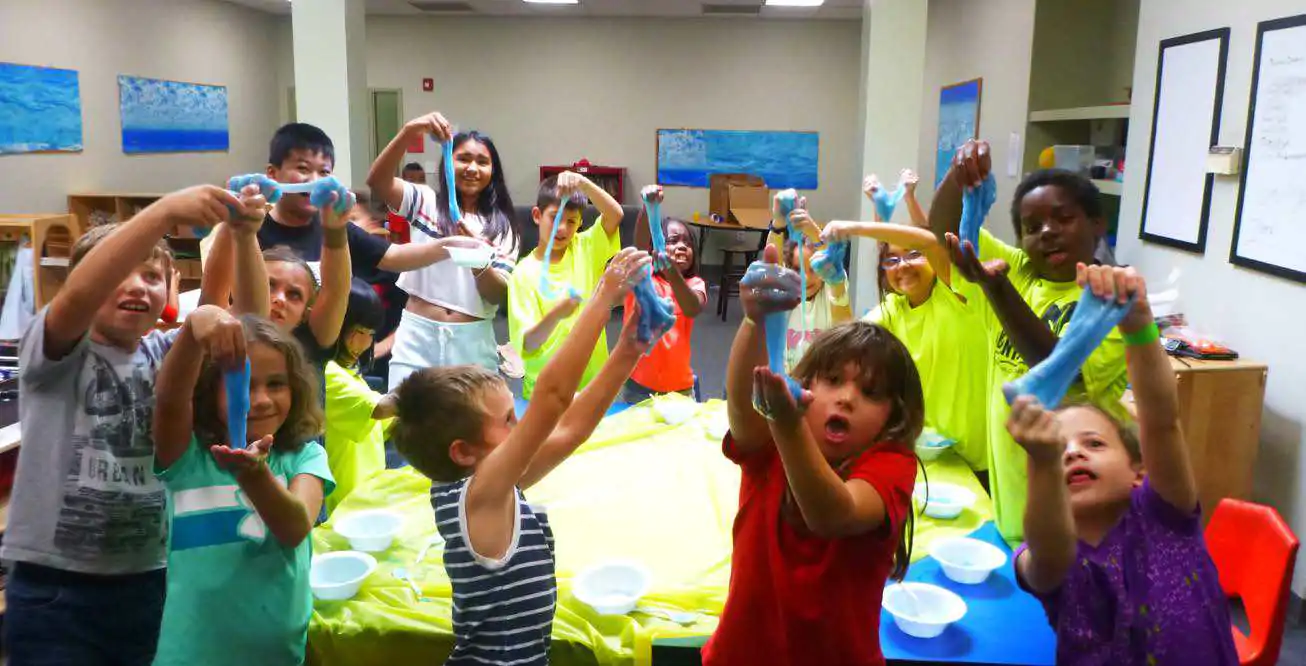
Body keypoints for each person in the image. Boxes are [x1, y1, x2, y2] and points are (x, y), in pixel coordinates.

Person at [1, 185, 262, 665]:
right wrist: (163, 213)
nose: (138, 285)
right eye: (120, 272)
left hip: (150, 579)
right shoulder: (53, 352)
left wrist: (240, 235)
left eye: (151, 276)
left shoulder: (163, 353)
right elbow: (80, 293)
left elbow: (243, 327)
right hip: (57, 589)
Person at [391, 250, 658, 665]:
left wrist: (628, 350)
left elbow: (570, 430)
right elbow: (552, 399)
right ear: (462, 451)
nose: (520, 427)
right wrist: (603, 295)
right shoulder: (481, 495)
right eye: (508, 420)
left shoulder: (482, 482)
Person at [702, 245, 923, 666]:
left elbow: (833, 515)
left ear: (894, 414)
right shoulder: (773, 441)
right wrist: (754, 318)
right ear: (807, 385)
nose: (846, 398)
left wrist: (787, 426)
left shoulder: (891, 463)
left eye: (870, 392)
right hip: (742, 654)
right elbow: (742, 410)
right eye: (834, 381)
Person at [1008, 264, 1237, 666]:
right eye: (1058, 449)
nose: (1073, 452)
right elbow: (1046, 553)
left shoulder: (1164, 515)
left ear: (1138, 472)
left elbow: (1160, 421)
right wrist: (1042, 464)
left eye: (1093, 443)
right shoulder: (1053, 555)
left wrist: (1140, 328)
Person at [930, 139, 1128, 542]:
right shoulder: (1019, 271)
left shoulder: (1111, 301)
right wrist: (959, 174)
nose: (1048, 232)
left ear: (1097, 224)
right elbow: (943, 232)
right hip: (1011, 499)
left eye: (1063, 218)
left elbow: (1055, 370)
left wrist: (995, 287)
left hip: (1076, 514)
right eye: (1032, 227)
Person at [151, 311, 331, 665]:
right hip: (190, 655)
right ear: (207, 389)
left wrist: (254, 475)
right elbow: (171, 399)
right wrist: (192, 329)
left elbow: (294, 527)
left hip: (276, 656)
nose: (260, 400)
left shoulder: (305, 456)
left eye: (276, 383)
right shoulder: (188, 458)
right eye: (243, 384)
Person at [202, 123, 485, 297]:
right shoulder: (248, 231)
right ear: (272, 174)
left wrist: (448, 245)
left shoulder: (335, 229)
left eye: (324, 172)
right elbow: (218, 297)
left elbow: (395, 256)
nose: (314, 181)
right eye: (302, 169)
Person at [823, 185, 990, 479]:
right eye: (892, 259)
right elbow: (846, 341)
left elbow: (931, 240)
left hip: (975, 459)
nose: (903, 266)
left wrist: (855, 228)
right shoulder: (893, 309)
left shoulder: (959, 294)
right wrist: (835, 283)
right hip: (923, 453)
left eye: (914, 255)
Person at [367, 112, 519, 389]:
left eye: (482, 162)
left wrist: (478, 261)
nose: (472, 168)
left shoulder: (502, 227)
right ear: (448, 162)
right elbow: (377, 181)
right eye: (463, 159)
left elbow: (499, 295)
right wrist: (409, 131)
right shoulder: (425, 201)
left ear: (493, 171)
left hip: (472, 343)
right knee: (407, 425)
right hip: (417, 337)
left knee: (470, 427)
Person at [508, 172, 625, 398]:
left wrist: (583, 183)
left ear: (580, 223)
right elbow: (527, 345)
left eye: (571, 221)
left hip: (591, 382)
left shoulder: (586, 248)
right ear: (536, 215)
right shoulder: (523, 274)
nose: (562, 228)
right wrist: (557, 314)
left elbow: (615, 214)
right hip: (545, 389)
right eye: (554, 217)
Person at [622, 185, 706, 404]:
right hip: (638, 386)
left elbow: (692, 307)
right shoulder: (644, 277)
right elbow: (639, 244)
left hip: (680, 389)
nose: (682, 247)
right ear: (656, 246)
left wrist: (672, 271)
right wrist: (648, 207)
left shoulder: (694, 283)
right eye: (673, 240)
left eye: (688, 243)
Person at [322, 279, 394, 513]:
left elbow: (378, 425)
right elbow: (378, 409)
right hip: (342, 505)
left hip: (368, 501)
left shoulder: (349, 372)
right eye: (358, 331)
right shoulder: (327, 372)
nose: (364, 342)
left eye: (370, 334)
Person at [767, 194, 852, 370]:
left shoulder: (831, 293)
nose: (805, 277)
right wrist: (777, 223)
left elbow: (830, 261)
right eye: (798, 269)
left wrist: (812, 230)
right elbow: (771, 262)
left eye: (814, 268)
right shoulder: (785, 297)